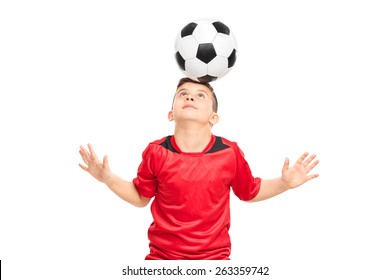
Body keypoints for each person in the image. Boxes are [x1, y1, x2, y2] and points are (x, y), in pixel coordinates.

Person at [79, 77, 319, 260]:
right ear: (171, 113)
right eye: (183, 93)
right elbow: (141, 197)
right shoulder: (156, 151)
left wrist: (284, 183)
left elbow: (249, 191)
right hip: (162, 259)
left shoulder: (229, 153)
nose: (190, 98)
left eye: (200, 95)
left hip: (214, 261)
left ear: (213, 117)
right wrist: (107, 178)